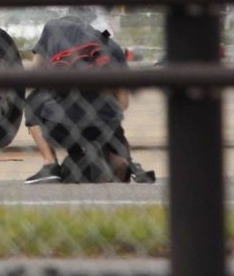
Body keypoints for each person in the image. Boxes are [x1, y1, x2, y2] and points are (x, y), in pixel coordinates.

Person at [23, 15, 153, 184]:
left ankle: (50, 165)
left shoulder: (53, 28)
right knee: (110, 109)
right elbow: (124, 103)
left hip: (60, 124)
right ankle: (126, 162)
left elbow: (36, 72)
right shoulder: (113, 48)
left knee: (33, 100)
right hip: (103, 127)